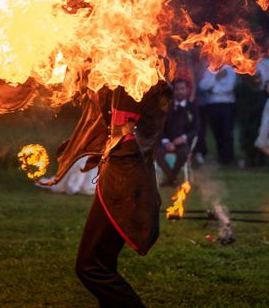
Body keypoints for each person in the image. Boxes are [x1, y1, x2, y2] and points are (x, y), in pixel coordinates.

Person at [40, 81, 171, 307]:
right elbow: (111, 124)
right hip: (119, 179)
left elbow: (133, 134)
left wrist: (101, 142)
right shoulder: (119, 74)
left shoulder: (144, 76)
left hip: (127, 184)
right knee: (102, 263)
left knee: (91, 266)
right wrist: (86, 141)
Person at [157, 79, 200, 186]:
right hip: (166, 141)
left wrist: (184, 138)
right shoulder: (166, 107)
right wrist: (166, 142)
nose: (179, 91)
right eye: (177, 89)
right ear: (173, 91)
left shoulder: (192, 107)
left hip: (182, 142)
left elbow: (196, 128)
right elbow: (160, 127)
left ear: (187, 90)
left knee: (184, 153)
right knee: (157, 153)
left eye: (182, 89)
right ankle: (173, 179)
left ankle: (170, 179)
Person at [197, 64, 237, 165]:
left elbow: (229, 87)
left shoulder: (229, 69)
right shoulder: (210, 69)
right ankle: (221, 156)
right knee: (217, 132)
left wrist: (213, 90)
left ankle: (228, 158)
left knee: (227, 132)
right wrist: (216, 77)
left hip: (227, 104)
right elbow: (203, 85)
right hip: (212, 105)